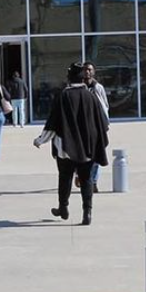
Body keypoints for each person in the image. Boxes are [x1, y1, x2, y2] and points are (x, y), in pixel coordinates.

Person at [35, 62, 109, 226]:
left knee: (65, 177)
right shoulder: (91, 96)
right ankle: (87, 212)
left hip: (65, 148)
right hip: (87, 148)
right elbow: (102, 121)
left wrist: (40, 140)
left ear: (69, 78)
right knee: (86, 179)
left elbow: (53, 123)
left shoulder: (63, 96)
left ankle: (63, 208)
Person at [82, 62, 110, 189]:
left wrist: (105, 123)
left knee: (96, 154)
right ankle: (83, 177)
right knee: (82, 155)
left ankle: (93, 182)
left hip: (96, 126)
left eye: (89, 70)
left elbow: (105, 106)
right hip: (82, 126)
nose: (87, 72)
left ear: (93, 72)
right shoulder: (79, 88)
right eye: (85, 70)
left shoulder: (98, 88)